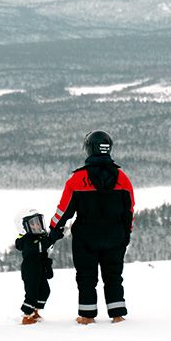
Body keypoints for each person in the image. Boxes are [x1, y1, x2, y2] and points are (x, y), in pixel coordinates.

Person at [49, 130, 135, 324]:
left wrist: (53, 230)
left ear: (89, 149)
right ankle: (117, 315)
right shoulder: (122, 178)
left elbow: (63, 211)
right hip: (115, 236)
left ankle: (87, 316)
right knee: (113, 276)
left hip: (85, 238)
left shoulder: (77, 179)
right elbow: (129, 210)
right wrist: (126, 233)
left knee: (86, 277)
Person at [14, 211, 59, 325]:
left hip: (40, 267)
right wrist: (51, 239)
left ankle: (35, 311)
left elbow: (44, 247)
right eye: (33, 224)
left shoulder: (40, 237)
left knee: (45, 291)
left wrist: (55, 234)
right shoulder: (26, 239)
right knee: (32, 293)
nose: (37, 225)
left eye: (38, 222)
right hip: (30, 269)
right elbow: (39, 246)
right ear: (23, 226)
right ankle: (26, 316)